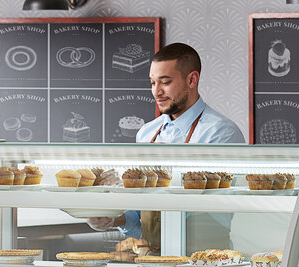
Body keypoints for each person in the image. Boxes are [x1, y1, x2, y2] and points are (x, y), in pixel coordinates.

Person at [88, 42, 244, 251]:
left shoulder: (220, 133)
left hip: (205, 259)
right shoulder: (146, 133)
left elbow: (203, 203)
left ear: (192, 79)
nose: (156, 92)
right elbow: (142, 216)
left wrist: (144, 183)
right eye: (152, 83)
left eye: (165, 82)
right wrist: (112, 219)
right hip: (152, 258)